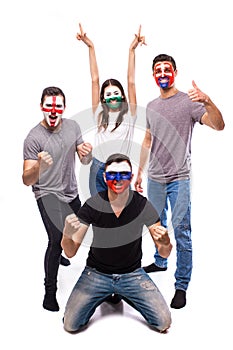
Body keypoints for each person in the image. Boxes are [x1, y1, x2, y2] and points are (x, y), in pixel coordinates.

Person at [134, 54, 225, 309]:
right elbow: (148, 140)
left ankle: (181, 285)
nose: (162, 73)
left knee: (182, 232)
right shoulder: (151, 106)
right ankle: (160, 262)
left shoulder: (188, 103)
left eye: (167, 69)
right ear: (153, 75)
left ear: (175, 72)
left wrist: (208, 101)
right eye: (158, 70)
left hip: (179, 178)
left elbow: (219, 126)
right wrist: (140, 171)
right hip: (155, 178)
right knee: (155, 225)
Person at [61, 153, 172, 333]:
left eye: (124, 174)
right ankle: (107, 293)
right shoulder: (93, 204)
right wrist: (67, 233)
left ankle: (122, 293)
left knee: (163, 322)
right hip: (97, 274)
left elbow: (164, 252)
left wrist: (165, 243)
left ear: (131, 177)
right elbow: (70, 252)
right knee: (70, 325)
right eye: (113, 174)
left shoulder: (142, 204)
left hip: (132, 274)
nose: (118, 179)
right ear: (105, 177)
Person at [22, 86, 92, 312]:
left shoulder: (73, 126)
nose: (53, 110)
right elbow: (26, 179)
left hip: (70, 191)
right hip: (47, 193)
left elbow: (84, 160)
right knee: (55, 239)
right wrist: (40, 167)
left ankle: (64, 252)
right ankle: (49, 291)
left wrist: (87, 154)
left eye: (58, 106)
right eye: (49, 105)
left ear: (64, 108)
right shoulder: (34, 137)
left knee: (81, 228)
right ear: (42, 107)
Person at [76, 23, 146, 195]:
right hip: (98, 168)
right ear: (103, 99)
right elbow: (95, 80)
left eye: (116, 93)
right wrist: (90, 46)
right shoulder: (98, 114)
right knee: (98, 215)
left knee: (121, 217)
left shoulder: (131, 114)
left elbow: (131, 81)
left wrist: (132, 50)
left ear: (123, 96)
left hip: (121, 168)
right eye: (108, 94)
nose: (113, 96)